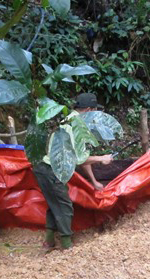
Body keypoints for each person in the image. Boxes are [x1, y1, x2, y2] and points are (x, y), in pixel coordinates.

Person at [33, 93, 113, 250]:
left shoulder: (69, 120)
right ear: (89, 109)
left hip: (41, 168)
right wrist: (101, 159)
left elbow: (81, 157)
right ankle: (67, 245)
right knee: (64, 206)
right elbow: (79, 159)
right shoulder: (76, 126)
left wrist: (94, 181)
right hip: (52, 170)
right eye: (95, 111)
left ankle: (48, 242)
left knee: (53, 203)